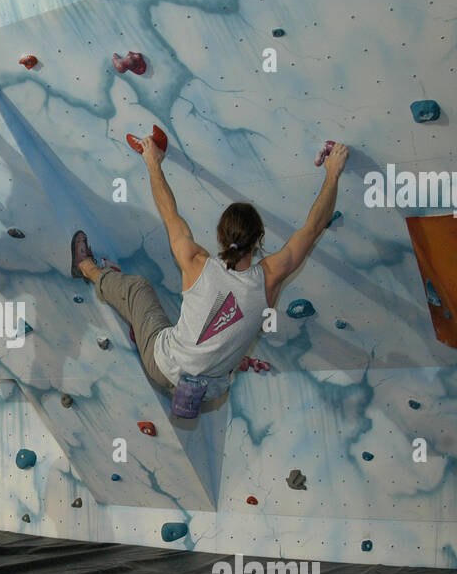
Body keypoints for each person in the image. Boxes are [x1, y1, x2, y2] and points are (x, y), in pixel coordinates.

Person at [72, 138, 349, 418]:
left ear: (220, 235)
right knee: (210, 335)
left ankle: (86, 268)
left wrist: (153, 162)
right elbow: (313, 228)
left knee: (139, 290)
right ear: (259, 241)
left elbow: (170, 213)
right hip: (206, 393)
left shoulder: (196, 262)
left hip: (164, 364)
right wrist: (333, 172)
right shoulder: (270, 278)